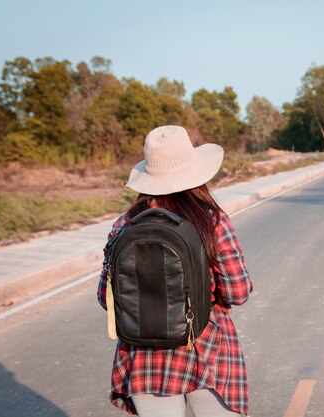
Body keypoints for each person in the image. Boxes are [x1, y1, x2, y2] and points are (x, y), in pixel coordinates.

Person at [97, 125, 253, 417]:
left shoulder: (124, 226)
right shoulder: (212, 221)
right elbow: (238, 292)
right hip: (206, 349)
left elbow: (106, 299)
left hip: (144, 359)